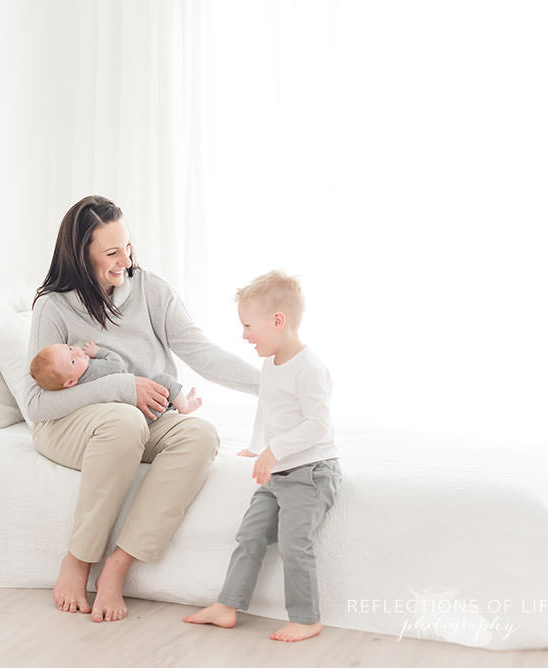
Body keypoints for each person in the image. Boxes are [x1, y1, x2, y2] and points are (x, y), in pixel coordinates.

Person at [25, 195, 259, 623]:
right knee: (123, 419)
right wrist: (120, 386)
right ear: (82, 255)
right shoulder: (53, 307)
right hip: (69, 425)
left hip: (139, 420)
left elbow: (201, 353)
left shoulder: (151, 290)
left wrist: (268, 382)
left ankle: (118, 565)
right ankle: (77, 560)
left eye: (128, 247)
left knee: (200, 434)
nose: (125, 260)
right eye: (111, 252)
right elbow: (37, 404)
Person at [182, 270, 342, 642]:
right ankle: (227, 605)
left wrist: (275, 450)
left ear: (278, 321)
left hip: (311, 472)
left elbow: (318, 426)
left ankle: (306, 618)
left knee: (293, 543)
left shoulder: (311, 369)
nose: (244, 335)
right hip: (280, 473)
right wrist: (258, 446)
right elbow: (268, 410)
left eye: (248, 325)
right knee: (250, 534)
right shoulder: (271, 364)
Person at [29, 341, 203, 422]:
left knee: (160, 392)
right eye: (72, 361)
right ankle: (184, 406)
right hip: (143, 409)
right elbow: (116, 362)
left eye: (69, 348)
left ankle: (177, 402)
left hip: (134, 414)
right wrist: (98, 352)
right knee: (163, 381)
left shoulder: (77, 387)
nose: (77, 352)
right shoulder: (95, 369)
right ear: (70, 382)